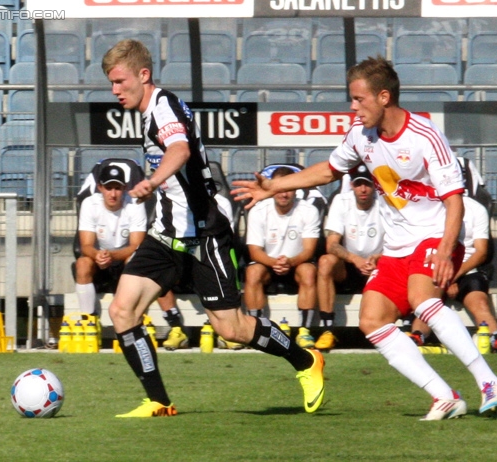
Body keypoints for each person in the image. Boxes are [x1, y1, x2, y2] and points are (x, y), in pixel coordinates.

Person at [233, 56, 497, 420]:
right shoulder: (360, 135)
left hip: (433, 236)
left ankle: (490, 383)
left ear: (383, 97)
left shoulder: (425, 135)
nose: (353, 107)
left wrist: (445, 250)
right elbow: (328, 171)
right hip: (395, 246)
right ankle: (444, 396)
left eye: (358, 99)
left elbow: (454, 200)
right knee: (372, 320)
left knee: (421, 300)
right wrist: (274, 186)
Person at [102, 39, 324, 418]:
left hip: (205, 234)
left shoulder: (163, 107)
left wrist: (152, 181)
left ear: (144, 74)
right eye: (111, 83)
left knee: (232, 329)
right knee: (123, 310)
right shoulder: (147, 112)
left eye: (120, 81)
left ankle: (306, 361)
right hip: (166, 234)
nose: (115, 90)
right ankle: (158, 400)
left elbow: (180, 151)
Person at [75, 164, 189, 350]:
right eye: (109, 188)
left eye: (118, 188)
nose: (113, 194)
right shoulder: (90, 203)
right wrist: (98, 255)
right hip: (100, 261)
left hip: (127, 260)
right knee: (82, 263)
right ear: (100, 187)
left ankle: (176, 326)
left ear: (125, 188)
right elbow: (85, 246)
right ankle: (89, 323)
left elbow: (137, 245)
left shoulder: (135, 204)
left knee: (152, 265)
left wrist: (111, 256)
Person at [408, 194, 497, 353]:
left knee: (479, 301)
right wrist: (445, 276)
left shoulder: (476, 209)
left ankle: (496, 337)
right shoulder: (430, 206)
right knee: (428, 302)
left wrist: (452, 276)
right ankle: (418, 336)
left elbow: (481, 252)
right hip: (436, 267)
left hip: (466, 270)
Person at [244, 166, 321, 348]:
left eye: (289, 189)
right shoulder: (259, 210)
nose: (284, 194)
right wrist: (274, 262)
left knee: (309, 271)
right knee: (252, 272)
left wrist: (290, 262)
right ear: (272, 189)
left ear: (296, 189)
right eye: (280, 189)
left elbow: (309, 250)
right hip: (268, 264)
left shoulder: (309, 210)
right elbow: (254, 252)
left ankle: (304, 332)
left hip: (297, 264)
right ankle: (255, 330)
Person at [315, 165, 384, 350]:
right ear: (352, 185)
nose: (363, 189)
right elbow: (332, 244)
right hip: (348, 267)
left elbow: (398, 242)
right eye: (359, 184)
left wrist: (377, 258)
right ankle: (328, 330)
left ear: (374, 186)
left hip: (378, 266)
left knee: (404, 261)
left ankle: (408, 329)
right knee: (325, 262)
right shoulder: (341, 201)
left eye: (367, 184)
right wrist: (355, 259)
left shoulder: (385, 202)